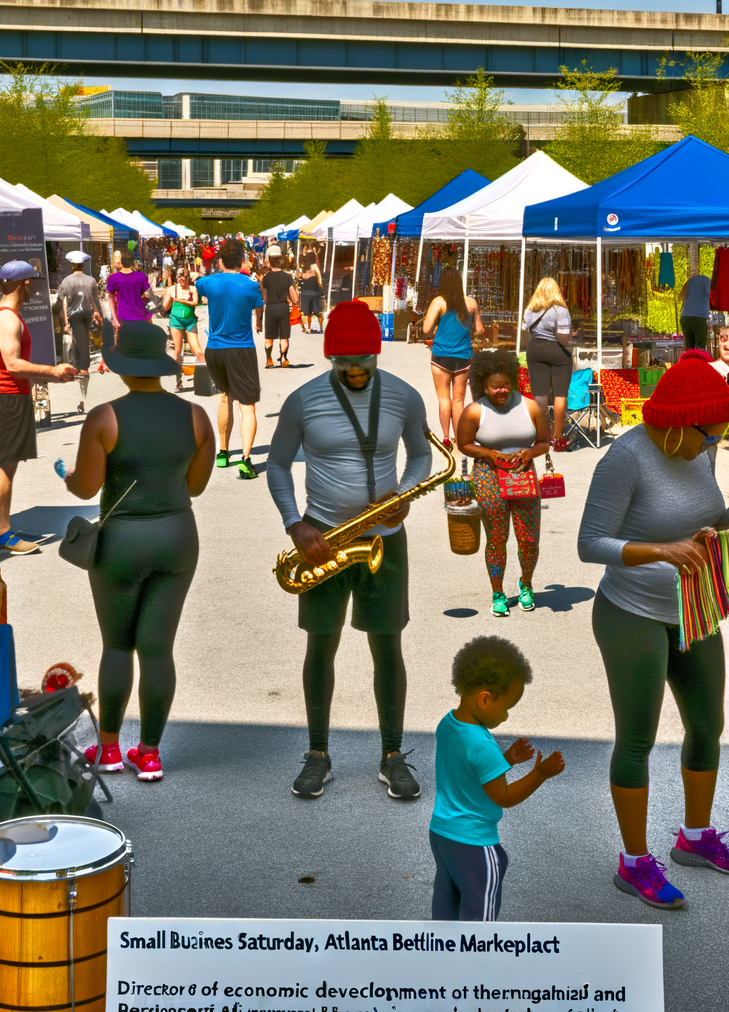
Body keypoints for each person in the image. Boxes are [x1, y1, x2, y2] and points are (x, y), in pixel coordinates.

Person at [578, 350, 729, 910]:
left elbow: (708, 517)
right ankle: (635, 863)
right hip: (630, 614)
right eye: (709, 434)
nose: (714, 444)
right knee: (638, 739)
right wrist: (660, 550)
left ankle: (695, 838)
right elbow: (589, 544)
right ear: (676, 426)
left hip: (695, 608)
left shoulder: (701, 450)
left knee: (708, 725)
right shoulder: (626, 459)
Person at [267, 301, 433, 801]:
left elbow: (422, 454)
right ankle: (317, 752)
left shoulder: (403, 397)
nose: (356, 371)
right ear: (329, 359)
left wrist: (403, 494)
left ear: (379, 354)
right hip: (322, 539)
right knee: (321, 643)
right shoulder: (303, 400)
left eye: (365, 361)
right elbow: (277, 466)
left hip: (383, 539)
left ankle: (392, 755)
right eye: (345, 364)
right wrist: (294, 524)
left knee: (388, 646)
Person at [65, 320, 215, 782]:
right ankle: (149, 753)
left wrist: (66, 476)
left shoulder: (105, 417)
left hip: (121, 542)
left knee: (117, 645)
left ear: (120, 365)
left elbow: (86, 485)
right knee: (157, 649)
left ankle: (108, 750)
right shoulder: (195, 416)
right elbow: (196, 486)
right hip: (176, 535)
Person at [430, 636, 564, 921]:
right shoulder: (483, 745)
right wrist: (540, 774)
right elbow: (504, 796)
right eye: (506, 708)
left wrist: (507, 759)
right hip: (474, 842)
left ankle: (442, 954)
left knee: (447, 895)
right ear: (485, 698)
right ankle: (477, 961)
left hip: (442, 832)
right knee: (480, 912)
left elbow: (469, 773)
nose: (505, 716)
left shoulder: (448, 724)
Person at [0, 260, 78, 556]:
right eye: (33, 282)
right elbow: (13, 365)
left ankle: (4, 529)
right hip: (5, 398)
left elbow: (17, 368)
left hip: (11, 395)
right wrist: (52, 370)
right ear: (25, 284)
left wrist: (53, 377)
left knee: (9, 464)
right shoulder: (7, 319)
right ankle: (3, 535)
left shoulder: (8, 315)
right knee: (4, 465)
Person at [456, 350, 550, 618]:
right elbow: (465, 445)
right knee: (497, 540)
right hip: (488, 478)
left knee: (529, 539)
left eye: (506, 384)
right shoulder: (475, 411)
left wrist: (530, 453)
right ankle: (497, 592)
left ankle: (526, 585)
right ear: (483, 385)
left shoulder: (531, 406)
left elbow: (544, 442)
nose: (501, 390)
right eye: (495, 386)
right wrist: (489, 453)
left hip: (523, 477)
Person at [196, 238, 265, 479]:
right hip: (241, 348)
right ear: (242, 261)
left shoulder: (207, 282)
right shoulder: (250, 285)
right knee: (248, 406)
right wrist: (258, 320)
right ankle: (246, 461)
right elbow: (259, 307)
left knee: (225, 396)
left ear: (220, 260)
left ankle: (223, 453)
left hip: (215, 349)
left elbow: (199, 286)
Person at [421, 267, 485, 448]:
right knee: (459, 400)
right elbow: (480, 329)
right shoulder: (471, 303)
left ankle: (446, 438)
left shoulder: (438, 302)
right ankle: (459, 438)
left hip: (441, 357)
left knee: (444, 399)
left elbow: (426, 329)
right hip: (463, 357)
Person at [522, 277, 574, 450]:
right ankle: (557, 436)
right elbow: (563, 338)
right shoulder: (561, 311)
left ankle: (540, 434)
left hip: (535, 349)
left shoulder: (530, 309)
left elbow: (524, 329)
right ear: (557, 291)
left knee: (540, 395)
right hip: (556, 351)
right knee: (560, 395)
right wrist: (570, 337)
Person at [57, 251, 103, 414]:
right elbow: (95, 300)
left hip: (74, 319)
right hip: (89, 318)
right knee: (84, 352)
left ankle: (81, 388)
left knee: (79, 350)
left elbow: (60, 301)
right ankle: (82, 388)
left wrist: (63, 320)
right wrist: (100, 317)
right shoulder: (91, 280)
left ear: (72, 266)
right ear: (83, 266)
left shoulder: (66, 281)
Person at [163, 268, 204, 392]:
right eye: (180, 278)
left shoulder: (193, 289)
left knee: (197, 349)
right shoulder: (172, 289)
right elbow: (165, 307)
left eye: (184, 278)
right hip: (176, 321)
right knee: (178, 350)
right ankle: (178, 380)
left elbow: (196, 303)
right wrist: (168, 299)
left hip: (190, 321)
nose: (182, 281)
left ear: (188, 279)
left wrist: (178, 300)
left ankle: (207, 377)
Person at [261, 245, 300, 369]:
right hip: (283, 308)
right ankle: (283, 358)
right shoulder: (288, 277)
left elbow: (265, 298)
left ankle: (269, 360)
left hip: (271, 308)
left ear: (270, 262)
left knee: (269, 337)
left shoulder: (266, 278)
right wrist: (296, 301)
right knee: (284, 336)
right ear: (281, 262)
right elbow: (294, 297)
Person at [106, 251, 155, 330]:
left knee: (124, 341)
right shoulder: (141, 276)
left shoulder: (114, 278)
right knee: (146, 339)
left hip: (124, 316)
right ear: (132, 264)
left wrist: (114, 318)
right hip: (141, 315)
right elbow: (149, 293)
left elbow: (110, 298)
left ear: (122, 263)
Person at [679, 270, 711, 351]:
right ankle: (698, 363)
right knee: (700, 347)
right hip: (699, 317)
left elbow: (681, 295)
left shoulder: (690, 282)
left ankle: (689, 362)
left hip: (685, 316)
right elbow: (713, 298)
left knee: (689, 348)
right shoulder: (709, 282)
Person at [299, 250, 324, 333]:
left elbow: (301, 277)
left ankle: (308, 328)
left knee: (308, 311)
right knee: (318, 311)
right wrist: (320, 286)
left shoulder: (304, 267)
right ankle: (321, 328)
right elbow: (319, 277)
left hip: (306, 292)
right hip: (315, 291)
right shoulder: (315, 266)